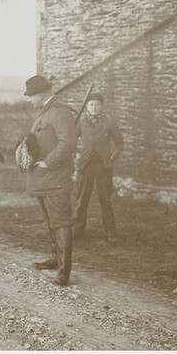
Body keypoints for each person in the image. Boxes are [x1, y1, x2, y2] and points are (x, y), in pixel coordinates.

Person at [22, 74, 77, 286]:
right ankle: (56, 258)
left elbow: (69, 143)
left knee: (61, 222)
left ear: (41, 94)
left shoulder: (59, 113)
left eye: (31, 95)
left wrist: (49, 162)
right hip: (44, 180)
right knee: (50, 222)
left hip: (55, 178)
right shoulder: (44, 114)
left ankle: (64, 271)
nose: (29, 100)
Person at [72, 92, 124, 242]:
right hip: (85, 166)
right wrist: (76, 154)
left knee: (105, 200)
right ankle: (78, 230)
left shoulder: (109, 122)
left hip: (103, 167)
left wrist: (113, 158)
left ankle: (110, 233)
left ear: (102, 107)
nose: (94, 107)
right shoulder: (81, 122)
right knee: (81, 199)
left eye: (97, 105)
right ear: (87, 107)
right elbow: (71, 141)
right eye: (91, 104)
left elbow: (119, 144)